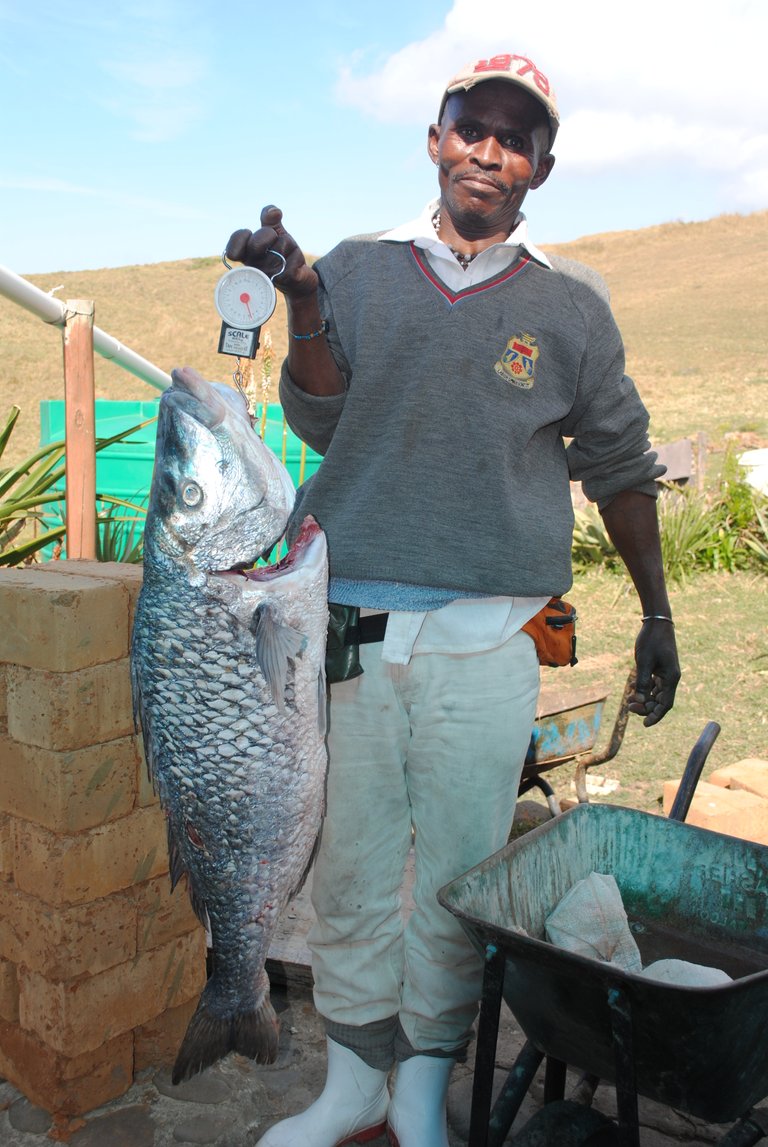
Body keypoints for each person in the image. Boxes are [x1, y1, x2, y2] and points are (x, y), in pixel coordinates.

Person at [226, 51, 680, 1147]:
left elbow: (618, 464)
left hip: (490, 638)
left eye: (516, 138)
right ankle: (349, 1082)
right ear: (436, 138)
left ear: (545, 167)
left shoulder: (572, 303)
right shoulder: (353, 268)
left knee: (463, 872)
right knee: (351, 864)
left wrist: (660, 614)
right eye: (472, 126)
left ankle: (421, 1083)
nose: (491, 150)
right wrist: (298, 301)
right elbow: (321, 422)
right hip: (346, 628)